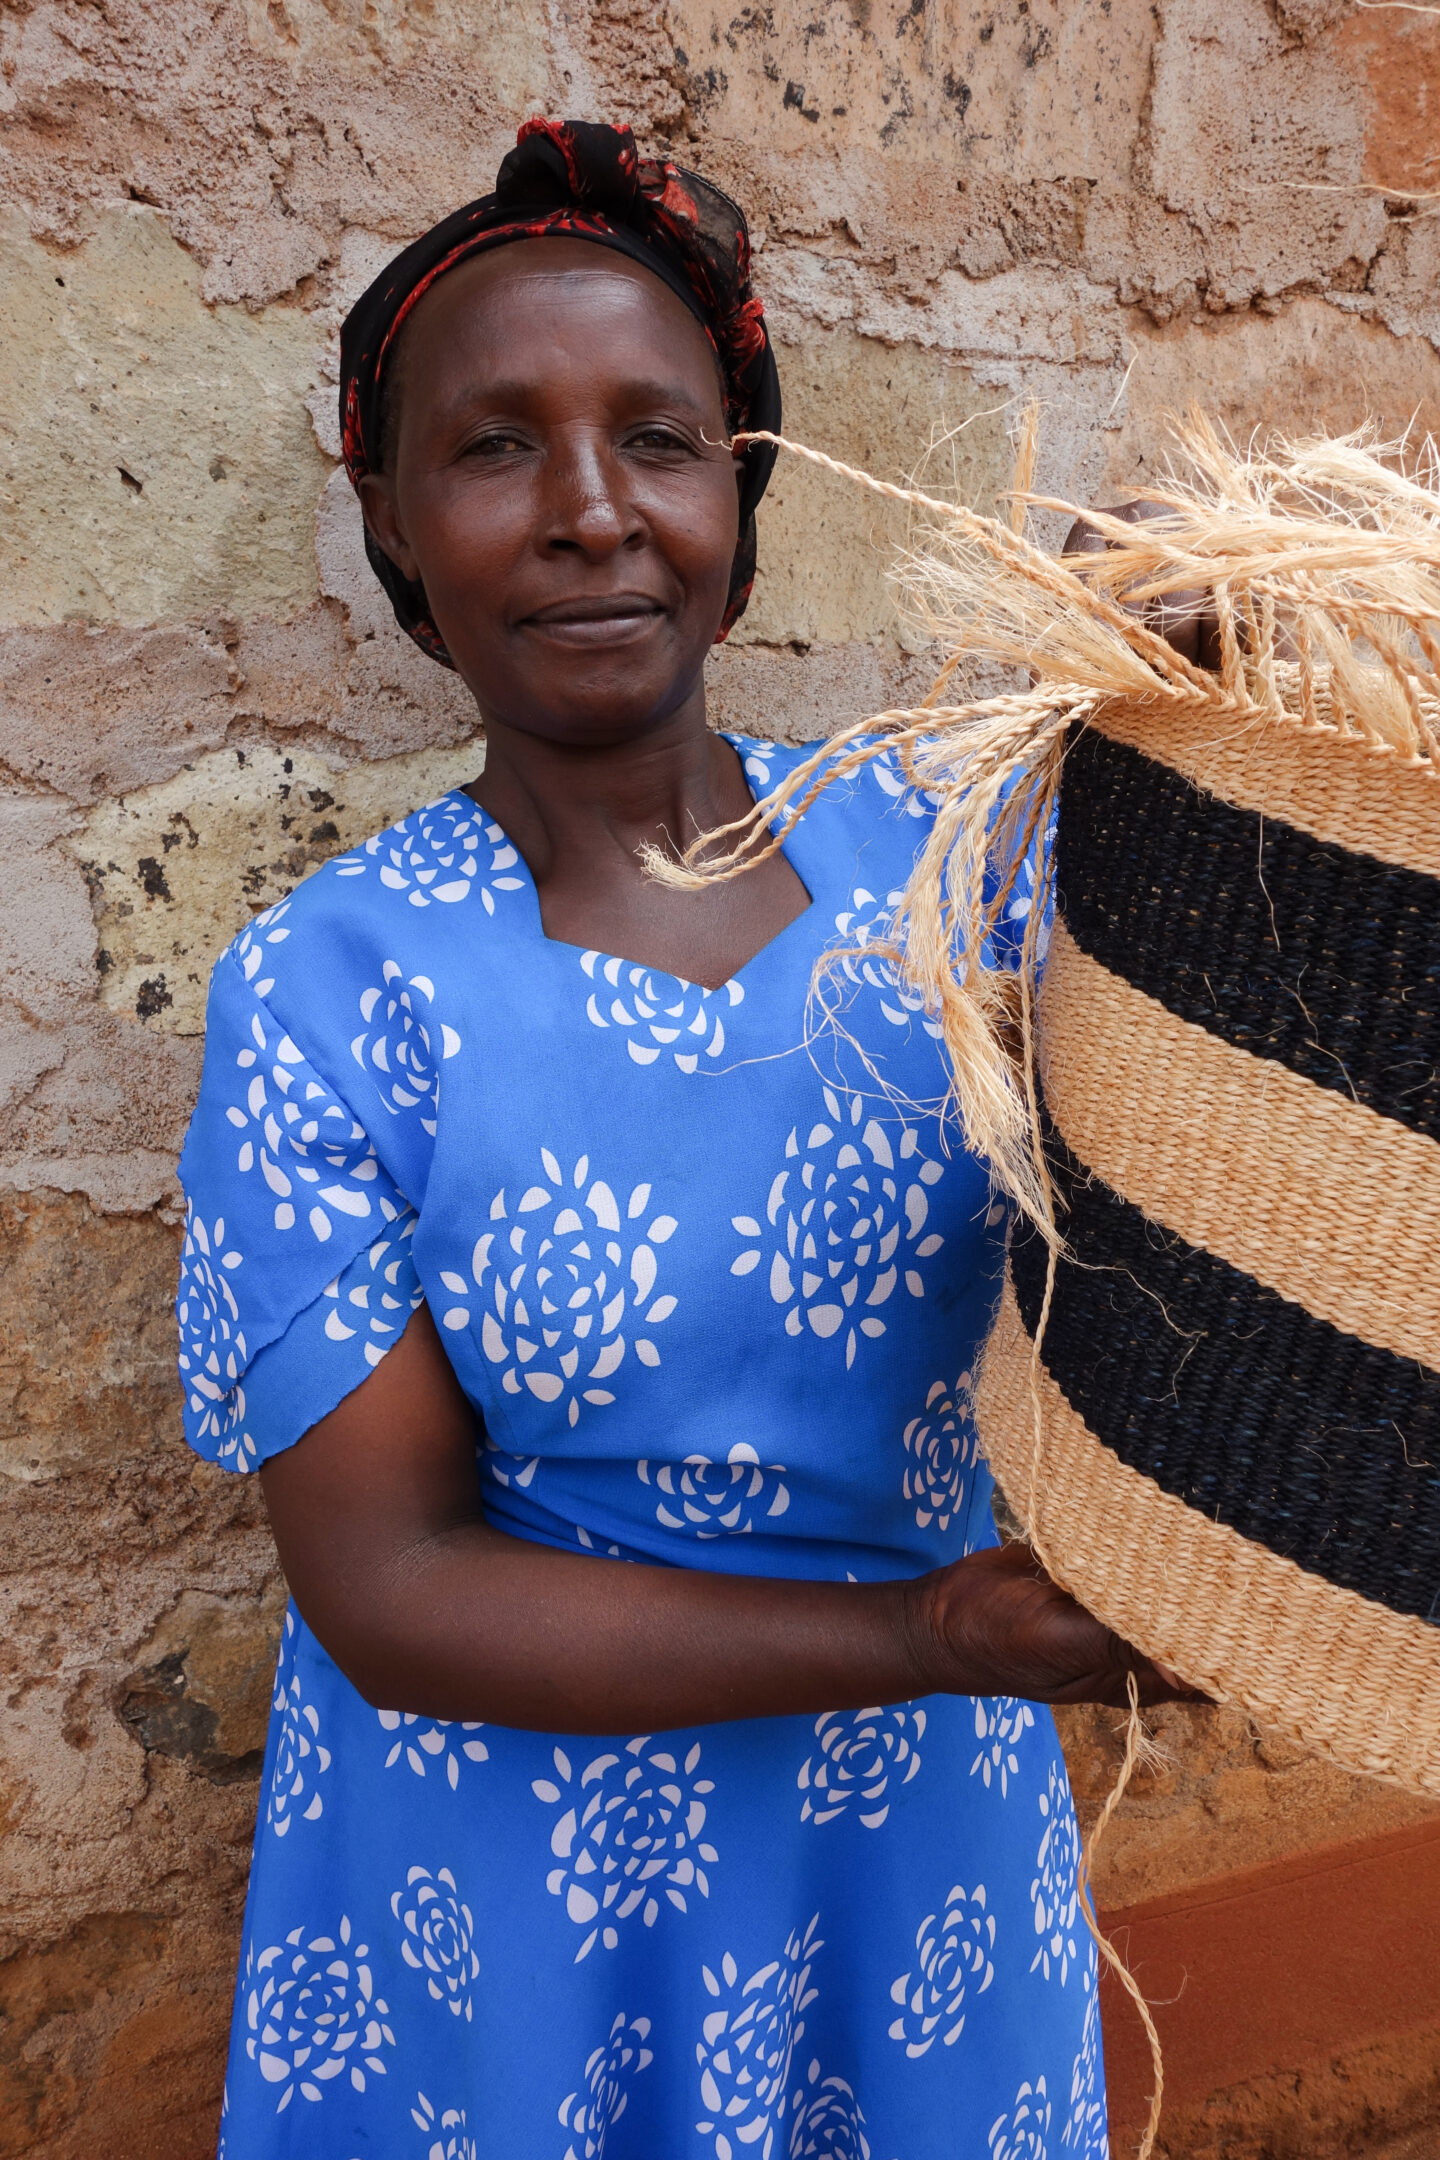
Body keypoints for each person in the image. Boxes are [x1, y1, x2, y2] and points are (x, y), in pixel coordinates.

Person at [177, 118, 1188, 2160]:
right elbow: (389, 1585)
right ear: (387, 513)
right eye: (493, 449)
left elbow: (1240, 1116)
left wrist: (1198, 716)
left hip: (903, 1859)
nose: (586, 514)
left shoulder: (960, 877)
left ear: (742, 483)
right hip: (511, 1905)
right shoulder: (332, 987)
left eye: (657, 436)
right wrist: (922, 1634)